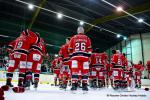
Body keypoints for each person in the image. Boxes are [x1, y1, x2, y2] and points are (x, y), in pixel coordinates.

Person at [68, 26, 92, 91]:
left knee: (75, 71)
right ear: (83, 31)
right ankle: (84, 86)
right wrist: (89, 57)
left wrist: (71, 57)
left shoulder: (73, 38)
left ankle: (74, 85)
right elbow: (89, 49)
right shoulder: (87, 38)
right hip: (85, 57)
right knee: (85, 71)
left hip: (75, 57)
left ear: (77, 31)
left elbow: (70, 49)